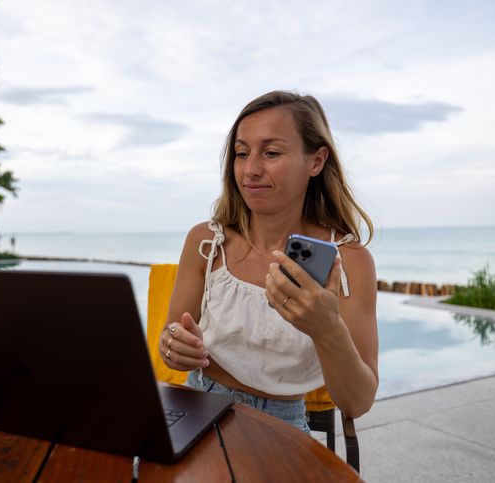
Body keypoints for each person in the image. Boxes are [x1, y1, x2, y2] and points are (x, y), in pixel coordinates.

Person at [159, 91, 378, 433]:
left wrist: (327, 329)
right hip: (199, 404)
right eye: (241, 153)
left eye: (271, 153)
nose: (251, 170)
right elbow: (171, 338)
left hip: (284, 423)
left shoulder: (349, 262)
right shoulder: (206, 242)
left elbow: (357, 403)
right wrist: (173, 345)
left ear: (316, 161)